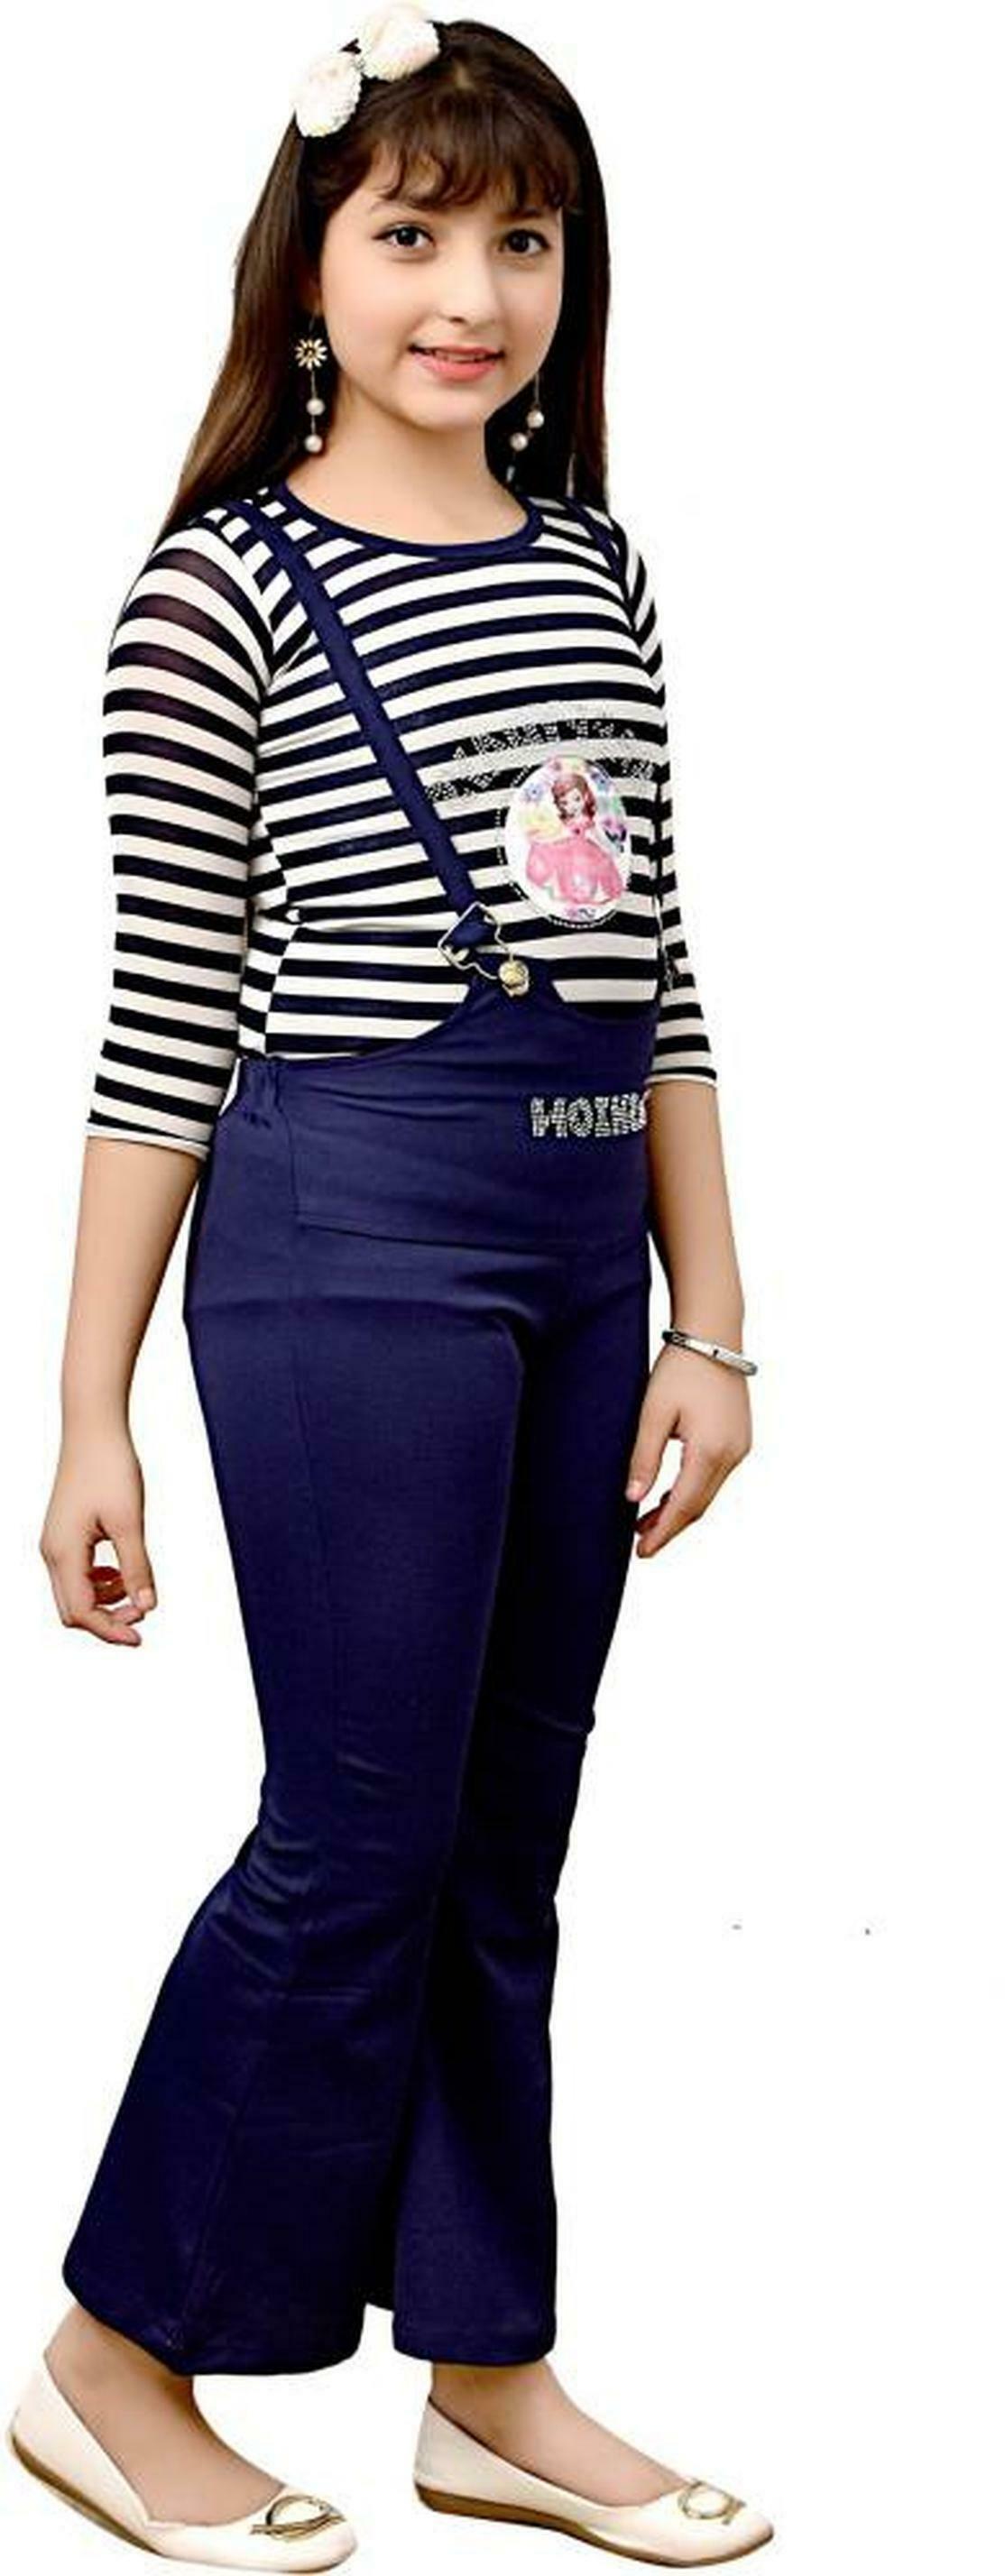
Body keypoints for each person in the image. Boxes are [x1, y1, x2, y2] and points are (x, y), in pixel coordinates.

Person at [8, 12, 772, 2568]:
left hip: (573, 1243)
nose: (472, 292)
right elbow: (159, 1029)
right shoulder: (218, 592)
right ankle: (114, 2356)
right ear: (310, 269)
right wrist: (89, 1412)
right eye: (413, 232)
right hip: (344, 1249)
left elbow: (657, 973)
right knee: (353, 1831)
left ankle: (485, 2374)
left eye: (521, 239)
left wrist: (711, 1321)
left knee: (500, 1842)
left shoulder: (594, 565)